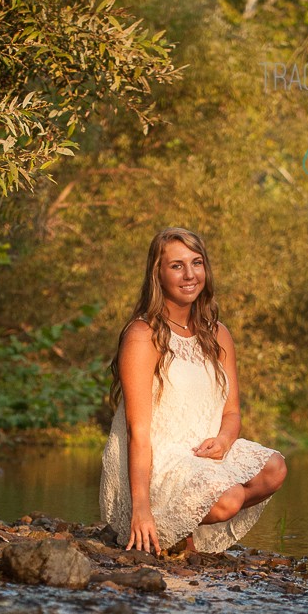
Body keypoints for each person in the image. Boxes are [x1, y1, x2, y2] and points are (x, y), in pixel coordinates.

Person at [99, 227, 287, 557]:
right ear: (157, 273)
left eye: (196, 263)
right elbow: (137, 431)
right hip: (161, 465)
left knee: (274, 468)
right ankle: (157, 521)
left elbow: (231, 412)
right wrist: (140, 506)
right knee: (230, 499)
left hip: (203, 456)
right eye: (176, 265)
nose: (190, 275)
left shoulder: (218, 335)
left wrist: (225, 441)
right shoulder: (143, 335)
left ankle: (181, 529)